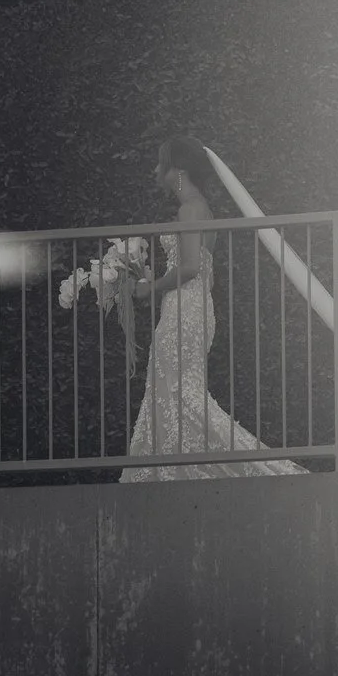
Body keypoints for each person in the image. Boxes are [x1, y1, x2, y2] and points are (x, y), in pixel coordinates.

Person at [121, 134, 307, 480]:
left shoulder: (190, 209)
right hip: (192, 309)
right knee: (174, 393)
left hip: (183, 311)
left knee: (180, 396)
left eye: (160, 163)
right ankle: (171, 473)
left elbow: (190, 267)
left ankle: (264, 470)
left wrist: (149, 288)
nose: (154, 170)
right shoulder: (201, 208)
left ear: (177, 169)